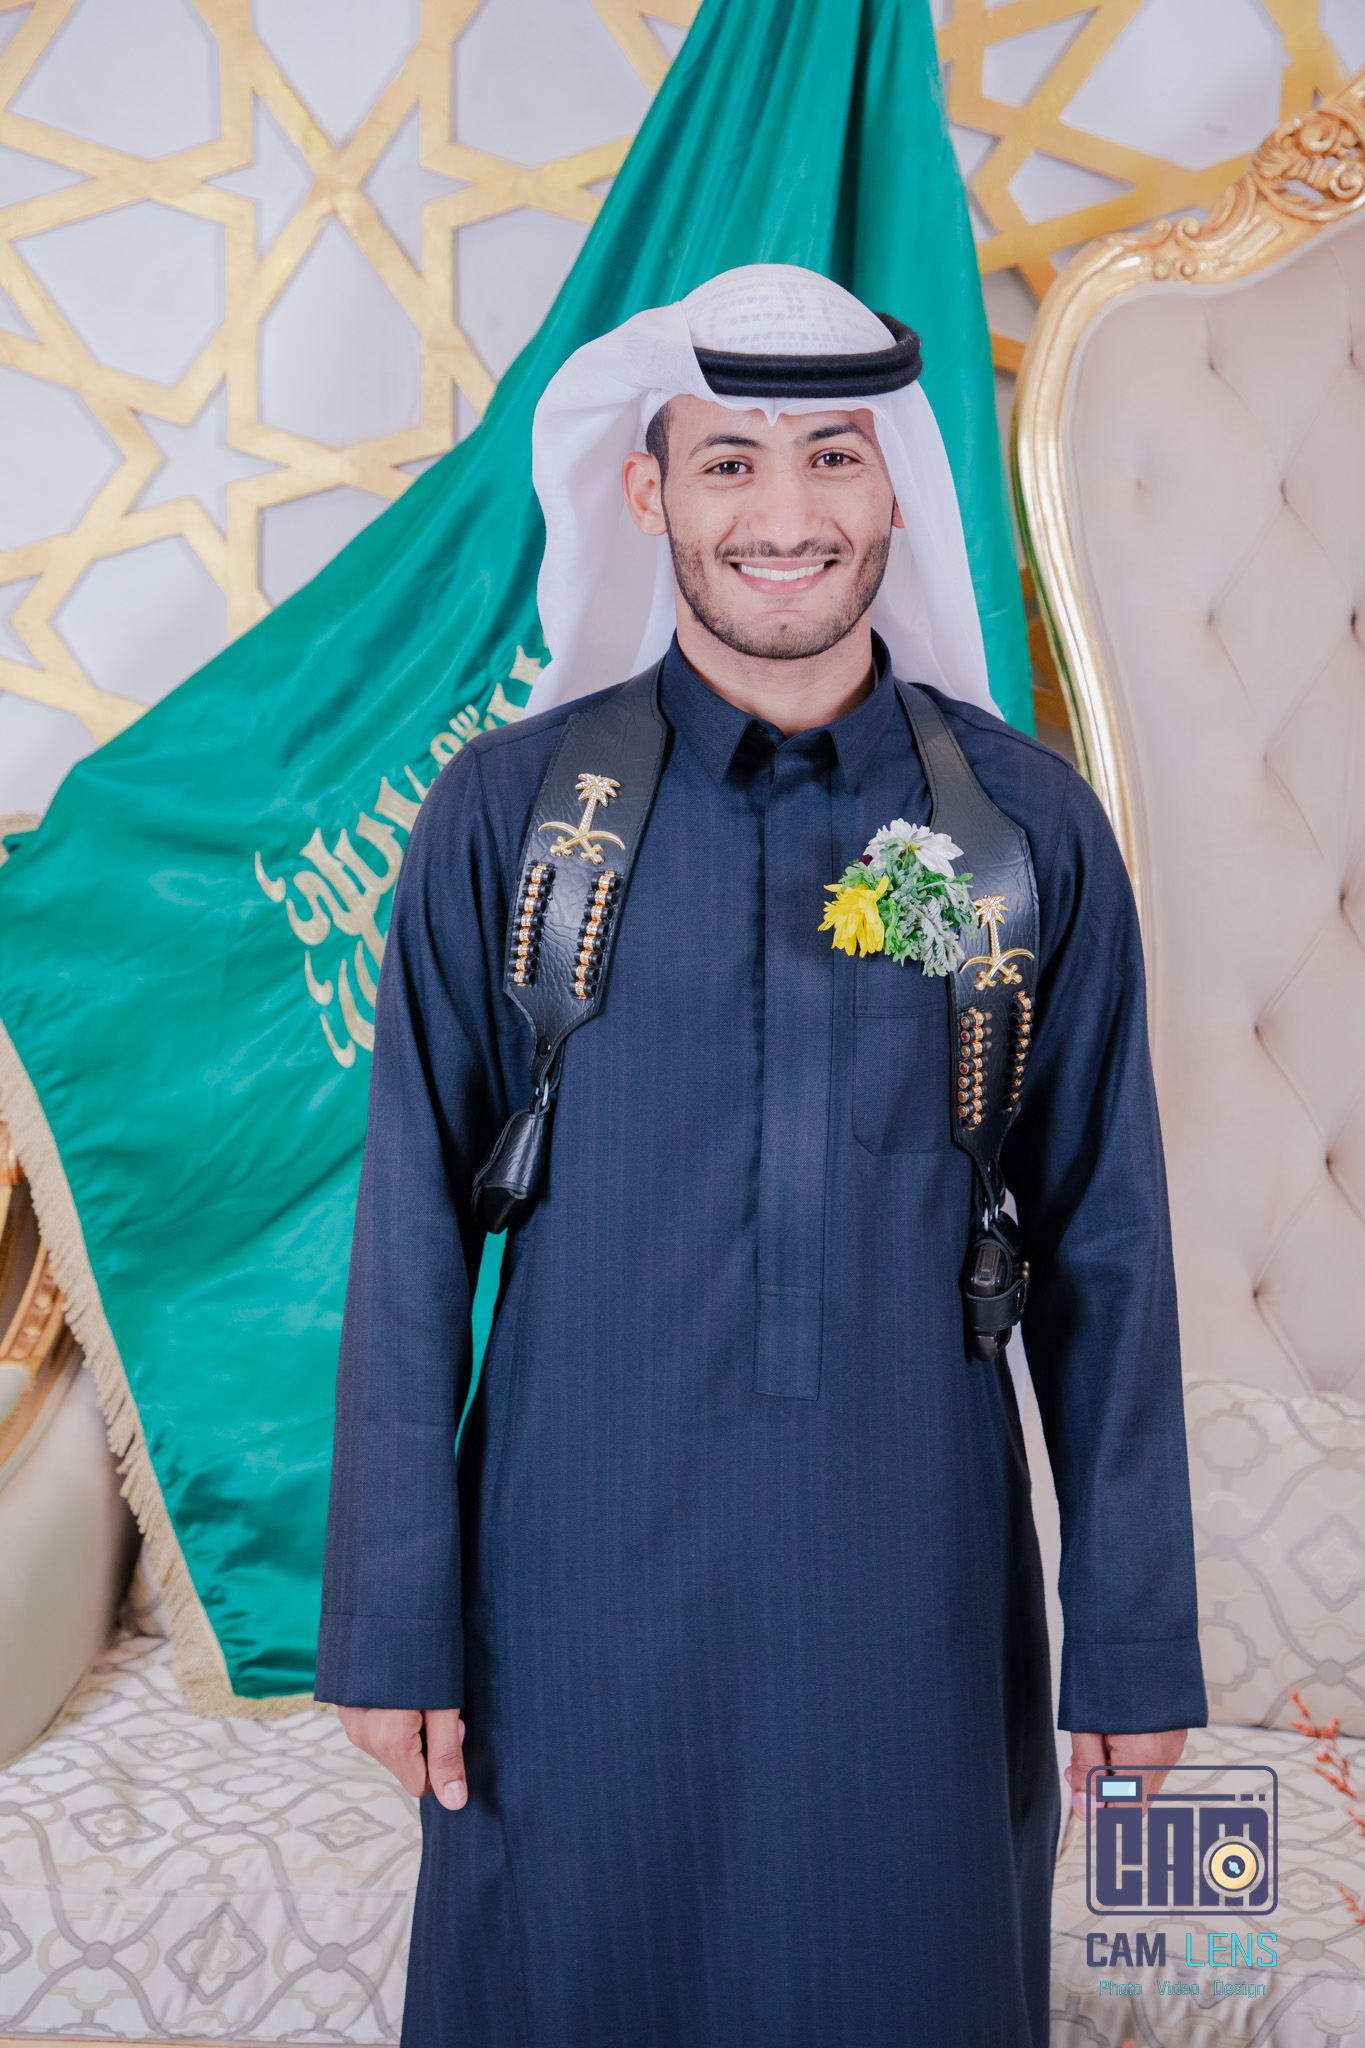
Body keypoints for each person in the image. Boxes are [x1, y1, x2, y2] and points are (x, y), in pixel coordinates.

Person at [316, 264, 1207, 2048]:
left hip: (912, 1596)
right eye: (728, 462)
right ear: (646, 491)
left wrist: (1130, 1633)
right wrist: (392, 1624)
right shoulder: (511, 819)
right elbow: (409, 1232)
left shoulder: (1023, 831)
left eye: (832, 457)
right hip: (568, 1596)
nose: (783, 515)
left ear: (898, 490)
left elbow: (1102, 1250)